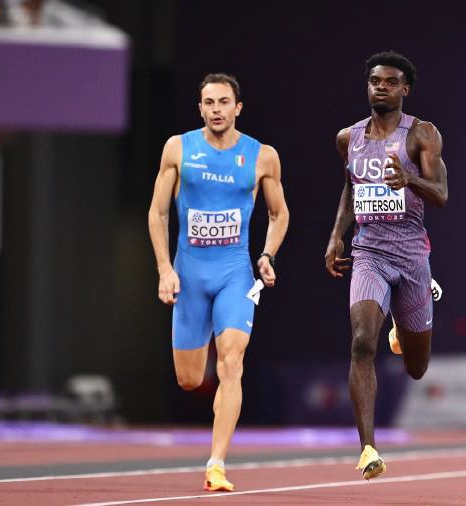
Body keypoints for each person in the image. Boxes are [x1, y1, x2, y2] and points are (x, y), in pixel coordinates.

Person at [148, 73, 289, 492]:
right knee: (190, 379)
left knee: (231, 363)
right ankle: (217, 433)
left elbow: (279, 214)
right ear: (200, 108)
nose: (216, 110)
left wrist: (267, 255)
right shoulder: (178, 148)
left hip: (234, 274)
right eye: (209, 103)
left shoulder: (262, 156)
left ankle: (216, 464)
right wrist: (165, 269)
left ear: (237, 107)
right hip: (189, 274)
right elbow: (158, 213)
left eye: (224, 102)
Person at [324, 51, 448, 480]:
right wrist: (336, 234)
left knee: (416, 368)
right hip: (369, 254)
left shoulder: (422, 134)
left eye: (391, 82)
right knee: (361, 342)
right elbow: (350, 187)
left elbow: (442, 194)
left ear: (404, 89)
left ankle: (401, 327)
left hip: (412, 257)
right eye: (375, 81)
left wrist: (409, 179)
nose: (382, 87)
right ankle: (368, 448)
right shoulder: (349, 138)